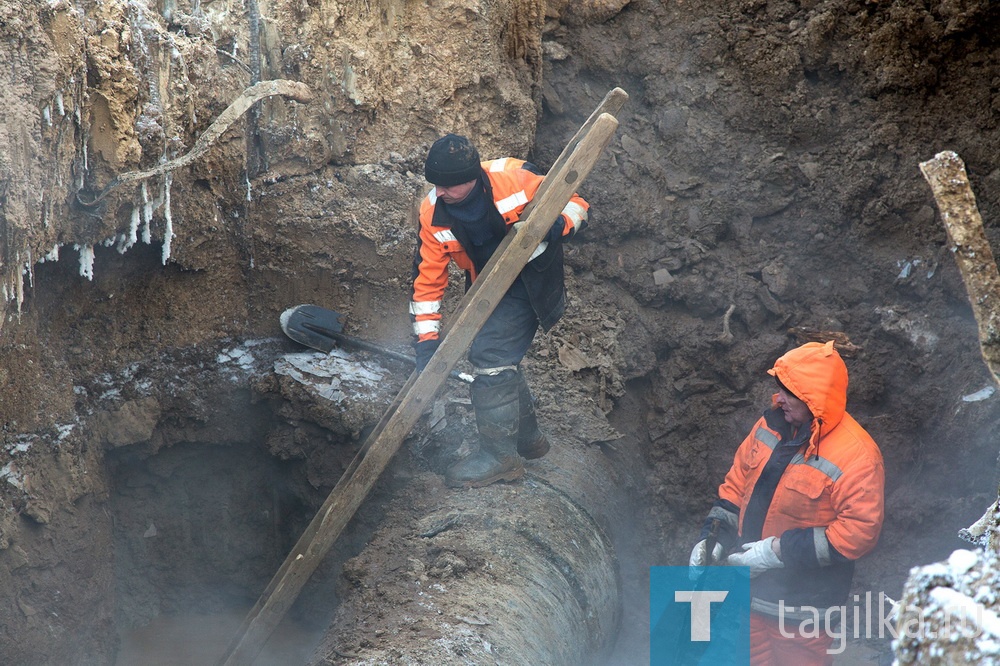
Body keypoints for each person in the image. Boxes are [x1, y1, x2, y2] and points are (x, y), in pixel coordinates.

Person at [409, 134, 589, 488]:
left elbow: (577, 203)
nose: (439, 191)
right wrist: (426, 342)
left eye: (447, 185)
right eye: (436, 184)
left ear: (471, 177)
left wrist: (556, 226)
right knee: (499, 356)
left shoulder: (515, 178)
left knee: (490, 354)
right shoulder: (432, 212)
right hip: (487, 278)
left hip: (534, 275)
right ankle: (528, 438)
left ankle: (501, 458)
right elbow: (427, 282)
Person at [689, 340, 885, 665]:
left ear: (815, 400)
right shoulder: (770, 425)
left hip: (803, 605)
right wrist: (712, 537)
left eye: (788, 393)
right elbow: (737, 484)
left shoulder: (857, 457)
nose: (778, 399)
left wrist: (776, 552)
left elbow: (858, 533)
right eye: (778, 389)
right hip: (746, 590)